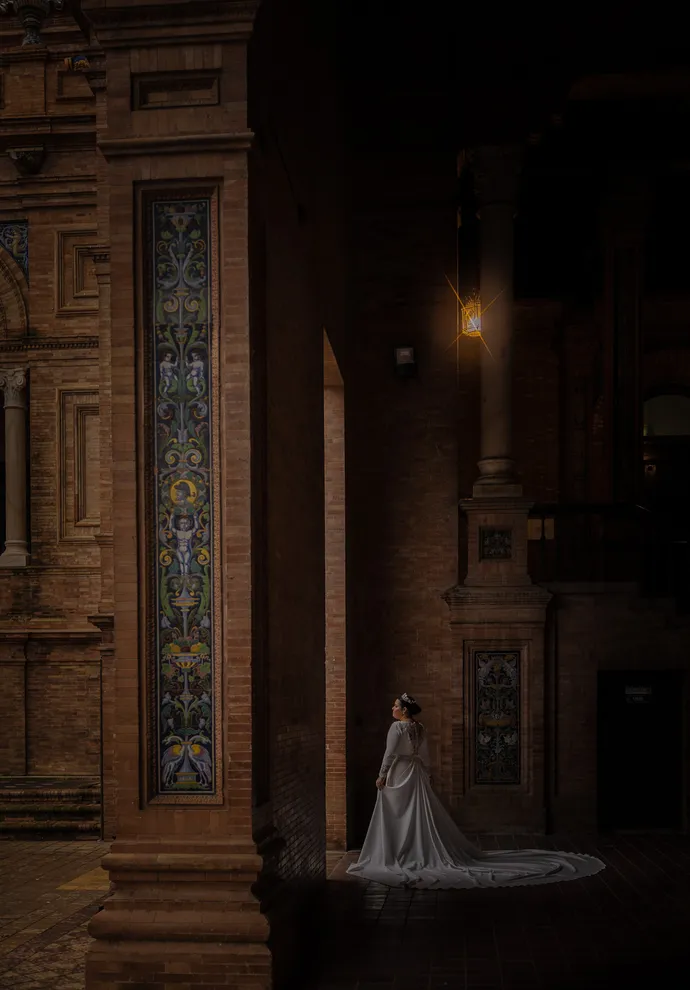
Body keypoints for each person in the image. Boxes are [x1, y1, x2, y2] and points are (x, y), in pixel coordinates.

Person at [347, 692, 605, 889]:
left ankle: (396, 852)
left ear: (403, 710)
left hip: (399, 771)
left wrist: (381, 776)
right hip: (414, 773)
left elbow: (390, 754)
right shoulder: (420, 728)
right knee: (416, 813)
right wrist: (427, 773)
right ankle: (414, 848)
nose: (392, 708)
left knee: (396, 814)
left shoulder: (397, 727)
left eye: (395, 705)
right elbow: (425, 755)